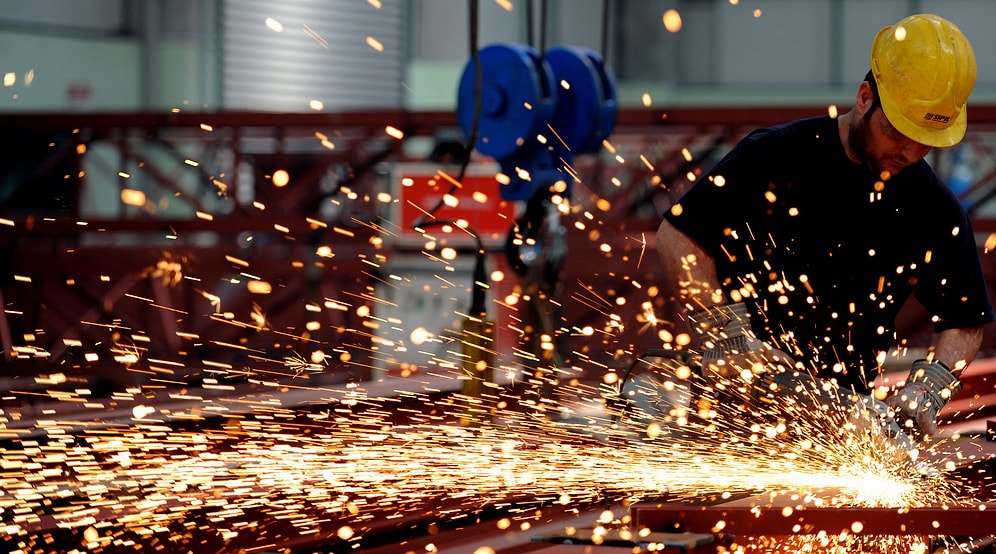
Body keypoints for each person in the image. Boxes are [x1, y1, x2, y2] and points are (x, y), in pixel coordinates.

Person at [655, 13, 994, 441]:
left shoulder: (933, 208)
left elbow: (964, 320)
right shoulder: (774, 158)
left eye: (924, 140)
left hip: (842, 435)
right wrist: (725, 332)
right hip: (731, 420)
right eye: (898, 132)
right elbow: (679, 236)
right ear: (866, 97)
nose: (910, 152)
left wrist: (928, 389)